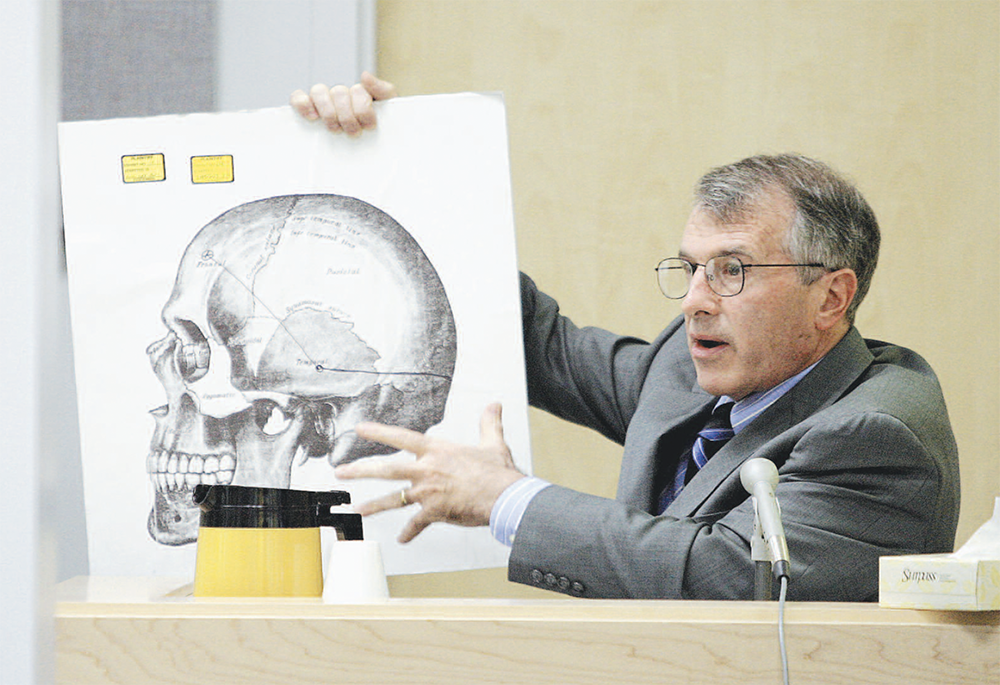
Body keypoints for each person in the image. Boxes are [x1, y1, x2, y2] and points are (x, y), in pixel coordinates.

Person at [291, 76, 960, 601]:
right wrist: (395, 164)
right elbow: (538, 341)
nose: (696, 300)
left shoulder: (878, 432)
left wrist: (508, 500)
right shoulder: (688, 361)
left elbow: (729, 576)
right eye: (692, 267)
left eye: (731, 270)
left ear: (832, 297)